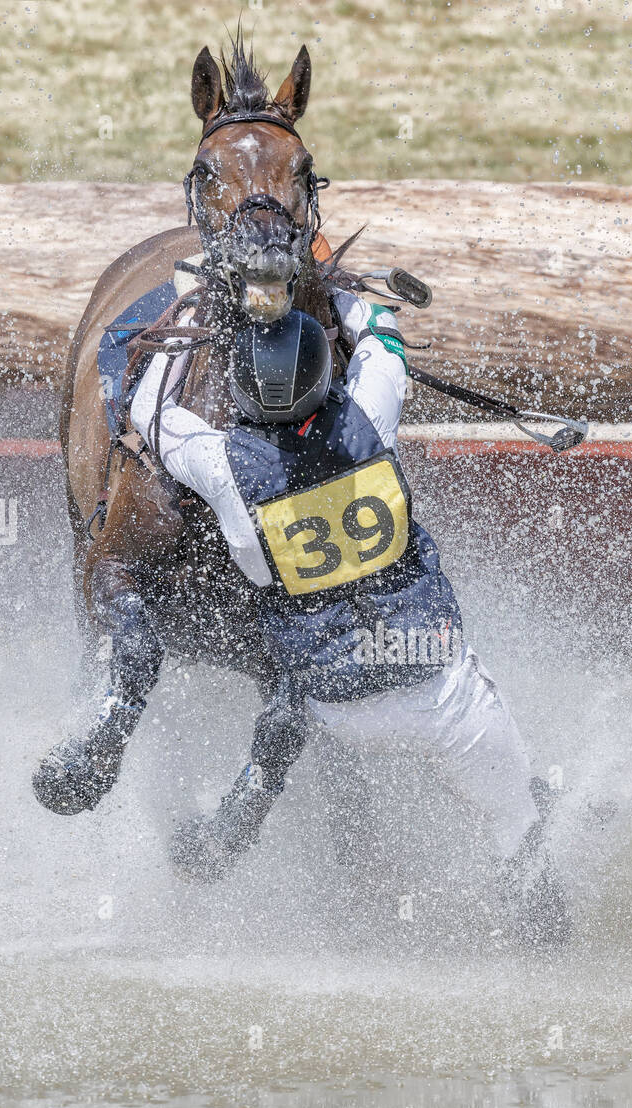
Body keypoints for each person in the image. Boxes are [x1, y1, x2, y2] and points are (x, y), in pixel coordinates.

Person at [130, 290, 567, 940]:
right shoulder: (370, 409)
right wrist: (344, 289)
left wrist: (192, 303)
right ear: (324, 376)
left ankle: (256, 785)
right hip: (448, 702)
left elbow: (152, 413)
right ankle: (546, 953)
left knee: (294, 653)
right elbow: (383, 340)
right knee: (519, 824)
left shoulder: (223, 466)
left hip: (338, 713)